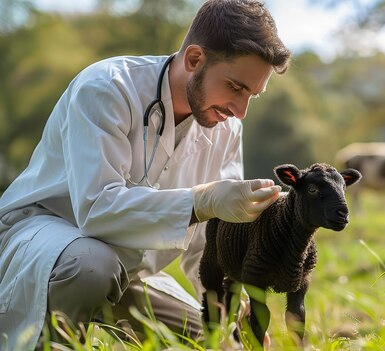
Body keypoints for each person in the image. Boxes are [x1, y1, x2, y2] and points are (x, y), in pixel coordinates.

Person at [0, 0, 291, 349]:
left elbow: (206, 244)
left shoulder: (226, 128)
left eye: (252, 96)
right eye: (235, 87)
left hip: (128, 267)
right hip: (46, 236)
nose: (240, 111)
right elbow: (97, 210)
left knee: (211, 339)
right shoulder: (106, 88)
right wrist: (201, 201)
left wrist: (229, 307)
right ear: (194, 59)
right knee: (92, 267)